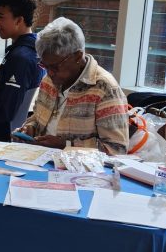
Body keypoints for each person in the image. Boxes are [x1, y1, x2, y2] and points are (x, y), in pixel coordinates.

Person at [19, 17, 129, 154]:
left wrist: (66, 145)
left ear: (77, 56)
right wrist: (29, 128)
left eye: (55, 67)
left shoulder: (104, 88)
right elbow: (37, 118)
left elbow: (117, 148)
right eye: (44, 66)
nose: (50, 73)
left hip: (80, 172)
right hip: (40, 160)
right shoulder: (49, 80)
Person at [0, 0, 43, 141]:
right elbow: (2, 92)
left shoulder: (21, 58)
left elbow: (5, 111)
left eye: (1, 17)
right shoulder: (29, 48)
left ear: (19, 20)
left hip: (0, 134)